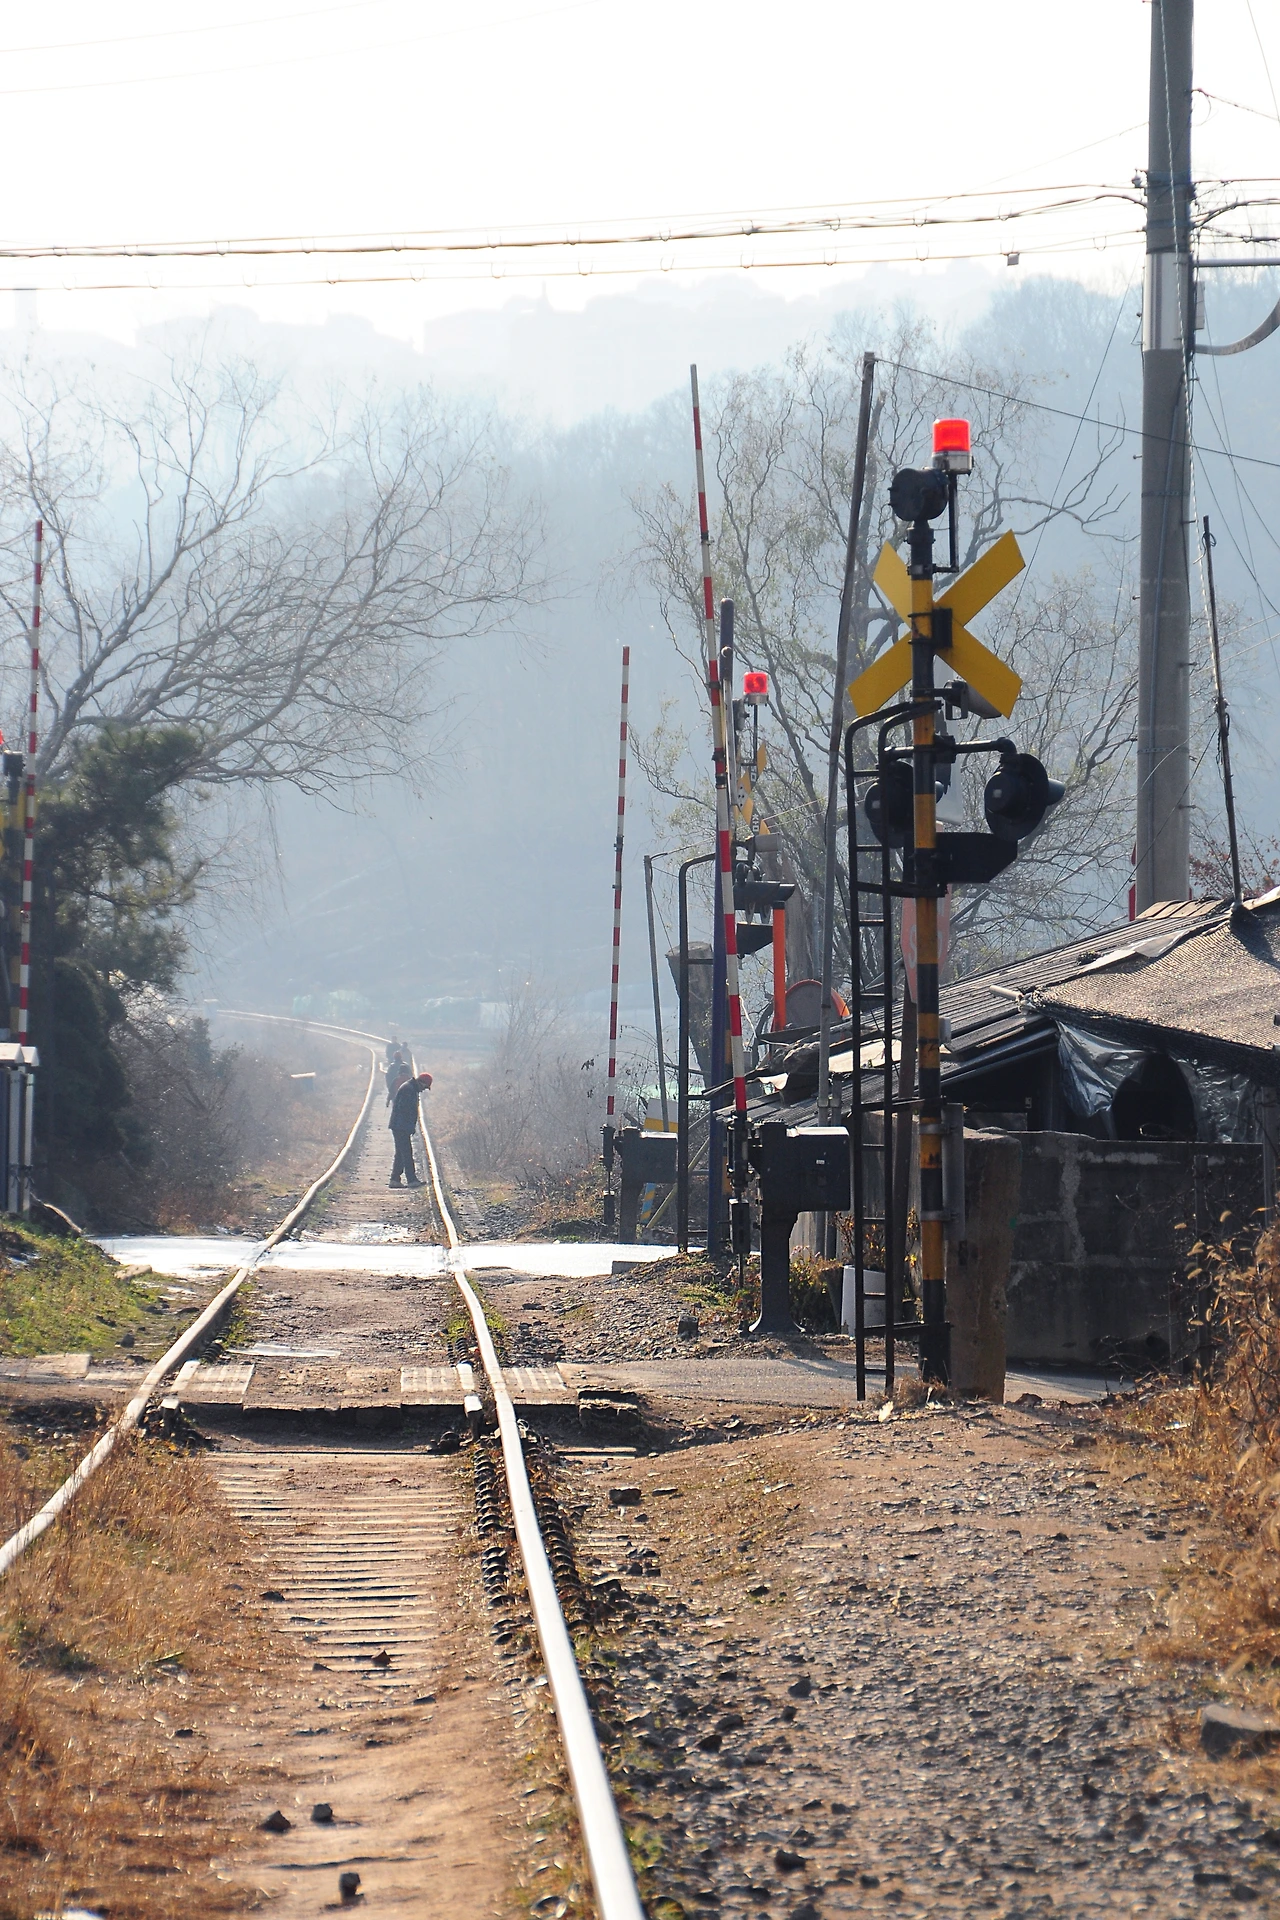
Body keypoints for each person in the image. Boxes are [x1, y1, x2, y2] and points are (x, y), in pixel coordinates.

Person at [388, 1070, 432, 1188]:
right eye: (425, 1087)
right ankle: (411, 1180)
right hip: (400, 1126)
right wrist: (408, 1126)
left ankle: (395, 1179)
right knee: (406, 1153)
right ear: (421, 1083)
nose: (424, 1090)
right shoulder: (409, 1090)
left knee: (401, 1153)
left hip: (400, 1125)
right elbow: (405, 1110)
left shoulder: (410, 1088)